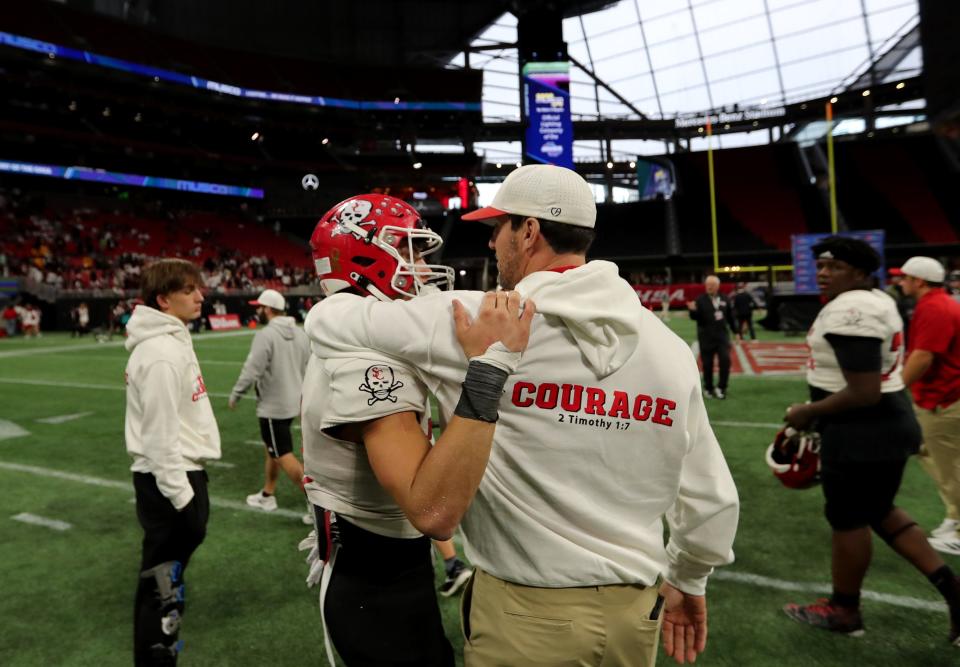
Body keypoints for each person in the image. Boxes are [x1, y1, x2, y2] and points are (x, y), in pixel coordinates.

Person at [309, 166, 740, 666]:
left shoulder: (474, 318)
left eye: (497, 229)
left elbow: (331, 318)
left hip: (527, 614)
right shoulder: (667, 347)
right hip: (634, 617)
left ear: (529, 231)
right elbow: (710, 499)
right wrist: (689, 577)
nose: (492, 243)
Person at [299, 194, 534, 667]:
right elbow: (432, 508)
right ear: (364, 258)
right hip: (374, 576)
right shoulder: (362, 358)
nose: (424, 270)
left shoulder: (365, 334)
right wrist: (488, 372)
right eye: (411, 253)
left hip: (393, 564)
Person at [782, 237, 960, 645]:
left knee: (848, 518)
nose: (824, 273)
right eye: (822, 265)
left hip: (862, 427)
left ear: (861, 273)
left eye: (836, 266)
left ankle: (845, 609)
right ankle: (954, 590)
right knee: (880, 510)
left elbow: (863, 392)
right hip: (884, 422)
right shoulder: (875, 299)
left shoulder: (853, 308)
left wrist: (806, 413)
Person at [124, 258, 221, 665]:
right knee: (161, 588)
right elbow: (160, 436)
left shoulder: (170, 340)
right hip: (171, 481)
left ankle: (161, 653)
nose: (200, 296)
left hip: (174, 478)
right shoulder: (162, 352)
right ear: (163, 300)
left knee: (167, 583)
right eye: (188, 290)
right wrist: (184, 501)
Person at [228, 288, 310, 521]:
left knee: (281, 453)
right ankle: (267, 493)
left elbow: (252, 369)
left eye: (260, 307)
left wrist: (236, 393)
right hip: (297, 401)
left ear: (267, 309)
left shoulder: (266, 335)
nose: (259, 311)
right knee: (271, 449)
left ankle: (318, 504)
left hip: (274, 405)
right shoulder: (301, 333)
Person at [898, 256, 960, 555]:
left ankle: (959, 529)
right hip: (942, 395)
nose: (901, 282)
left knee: (951, 466)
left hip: (944, 398)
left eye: (905, 277)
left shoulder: (935, 306)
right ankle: (954, 514)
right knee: (927, 451)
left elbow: (924, 356)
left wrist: (896, 389)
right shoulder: (940, 302)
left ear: (919, 281)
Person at [687, 275, 739, 399]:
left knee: (725, 361)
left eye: (712, 284)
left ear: (718, 286)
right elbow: (696, 317)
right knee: (707, 364)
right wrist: (692, 311)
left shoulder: (725, 299)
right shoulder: (700, 299)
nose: (709, 286)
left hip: (722, 337)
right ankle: (708, 388)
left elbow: (731, 318)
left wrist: (736, 332)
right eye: (707, 284)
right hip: (706, 337)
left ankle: (721, 387)